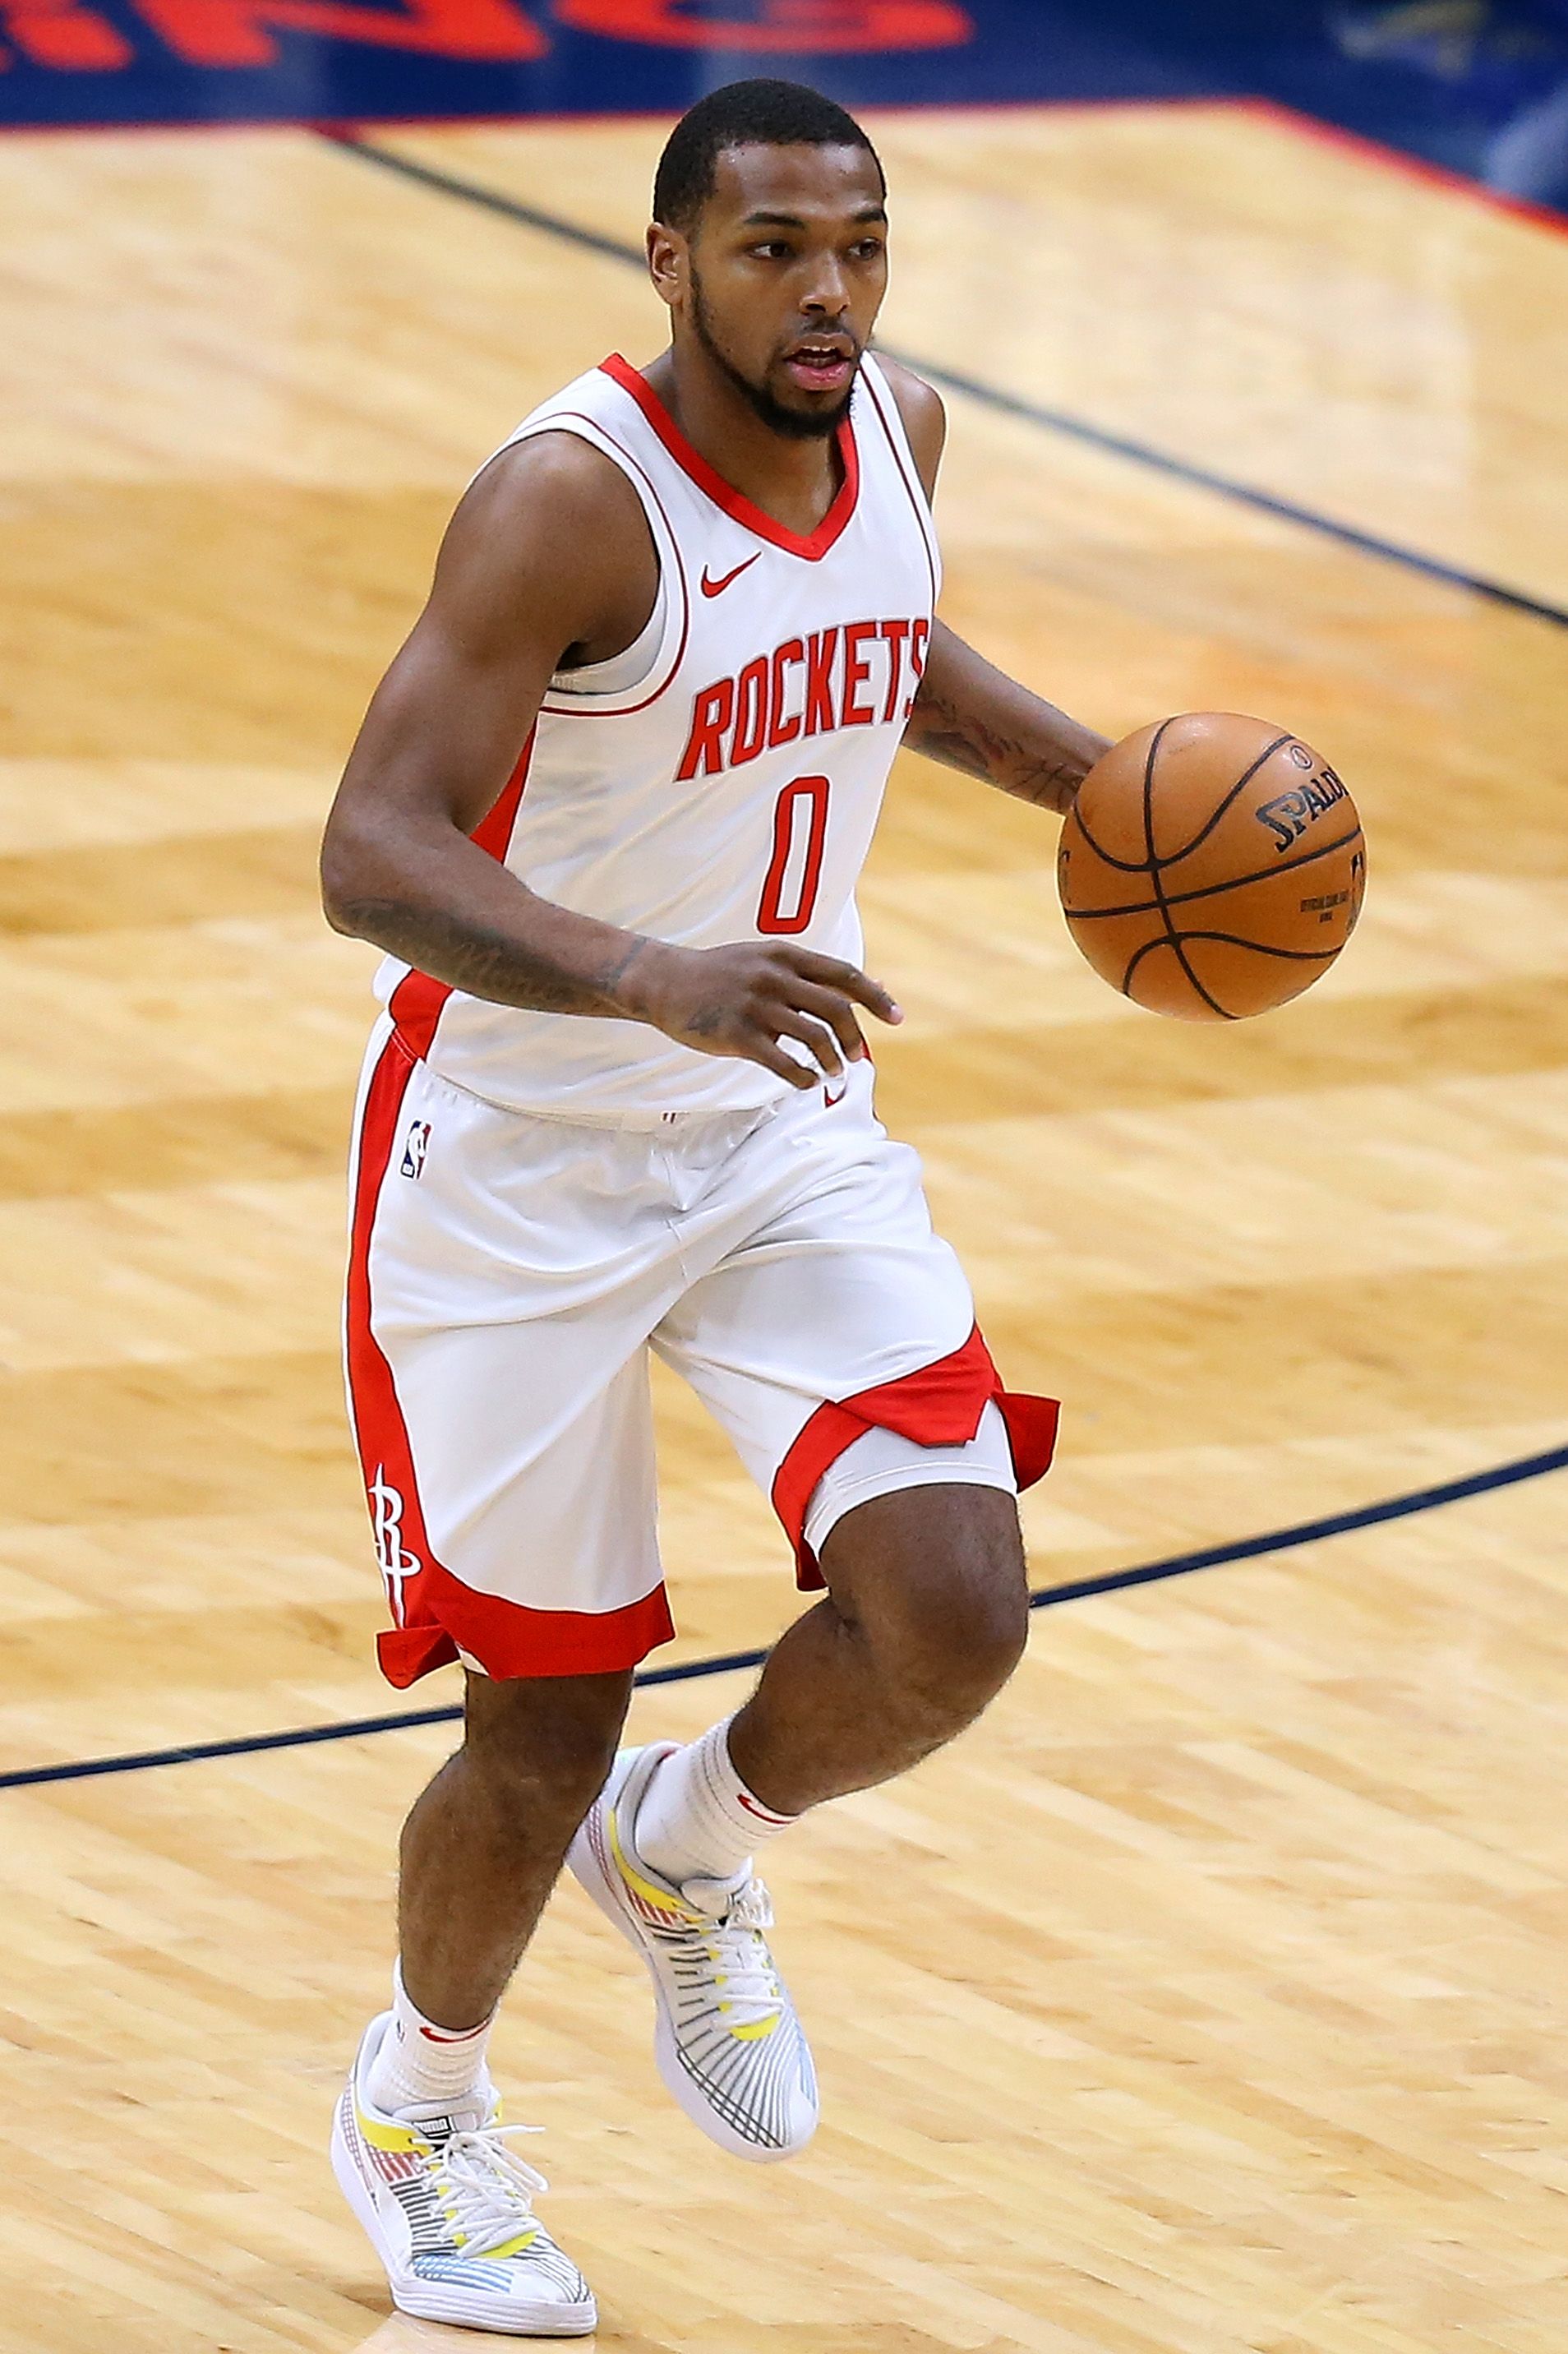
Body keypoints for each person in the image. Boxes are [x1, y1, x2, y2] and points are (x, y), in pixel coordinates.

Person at [320, 76, 1109, 2338]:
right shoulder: (565, 504)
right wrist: (646, 971)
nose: (827, 288)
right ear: (668, 262)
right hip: (517, 1163)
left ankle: (693, 1854)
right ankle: (420, 2111)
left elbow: (889, 650)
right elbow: (372, 849)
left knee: (950, 1604)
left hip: (773, 1122)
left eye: (857, 243)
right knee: (535, 1721)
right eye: (772, 247)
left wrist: (1106, 780)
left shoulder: (902, 430)